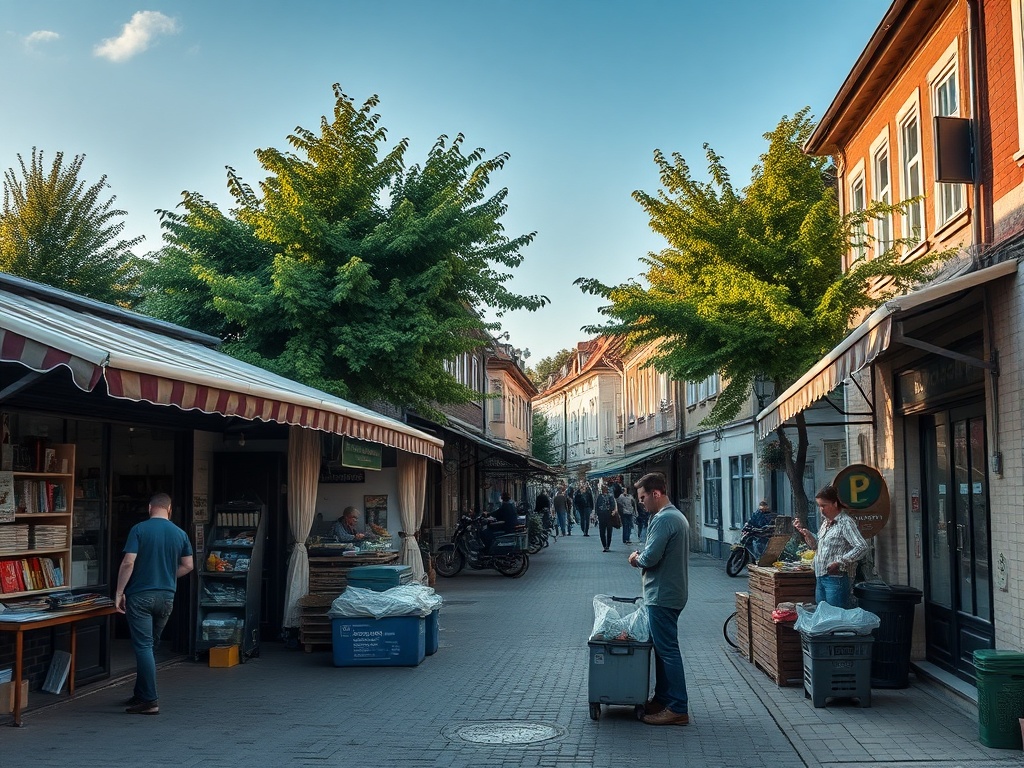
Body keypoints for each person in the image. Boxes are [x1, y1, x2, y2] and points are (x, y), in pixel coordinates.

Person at [115, 493, 194, 716]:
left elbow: (128, 562)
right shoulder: (180, 533)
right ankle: (141, 693)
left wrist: (119, 592)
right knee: (150, 646)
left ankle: (150, 700)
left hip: (140, 596)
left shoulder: (139, 529)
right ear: (169, 510)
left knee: (143, 647)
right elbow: (188, 565)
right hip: (167, 596)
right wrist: (168, 576)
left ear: (150, 507)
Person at [628, 473, 690, 726]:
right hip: (669, 592)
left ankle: (677, 707)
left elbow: (650, 557)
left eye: (643, 498)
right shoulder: (673, 516)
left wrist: (635, 559)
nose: (640, 503)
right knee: (663, 649)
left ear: (656, 494)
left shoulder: (664, 519)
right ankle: (664, 698)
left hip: (662, 594)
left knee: (668, 651)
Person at [794, 485, 868, 609]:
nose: (821, 510)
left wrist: (839, 562)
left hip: (836, 578)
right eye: (819, 506)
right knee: (823, 615)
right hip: (820, 576)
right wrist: (806, 534)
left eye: (824, 505)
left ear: (834, 503)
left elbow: (862, 547)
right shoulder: (825, 523)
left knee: (834, 617)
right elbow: (817, 546)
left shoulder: (845, 522)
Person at [594, 482, 617, 552]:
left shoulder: (600, 497)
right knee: (608, 531)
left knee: (603, 532)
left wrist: (596, 514)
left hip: (603, 516)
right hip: (608, 516)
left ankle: (605, 545)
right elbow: (612, 505)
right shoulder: (610, 496)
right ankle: (607, 546)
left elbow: (597, 506)